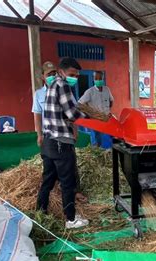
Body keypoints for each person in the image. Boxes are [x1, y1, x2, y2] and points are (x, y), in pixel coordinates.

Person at [37, 57, 89, 229]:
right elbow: (71, 114)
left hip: (49, 142)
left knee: (48, 181)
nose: (74, 78)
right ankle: (71, 219)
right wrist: (91, 118)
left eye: (76, 75)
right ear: (62, 72)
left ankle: (40, 213)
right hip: (61, 143)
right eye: (72, 74)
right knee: (68, 183)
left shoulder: (51, 86)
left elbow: (62, 113)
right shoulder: (63, 85)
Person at [78, 71, 114, 146]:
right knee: (97, 140)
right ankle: (97, 151)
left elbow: (111, 101)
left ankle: (108, 152)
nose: (98, 80)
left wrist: (108, 111)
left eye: (100, 78)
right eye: (96, 78)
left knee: (109, 139)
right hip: (96, 120)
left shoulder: (107, 89)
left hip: (107, 119)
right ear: (93, 79)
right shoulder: (90, 92)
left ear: (103, 78)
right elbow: (80, 104)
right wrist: (90, 114)